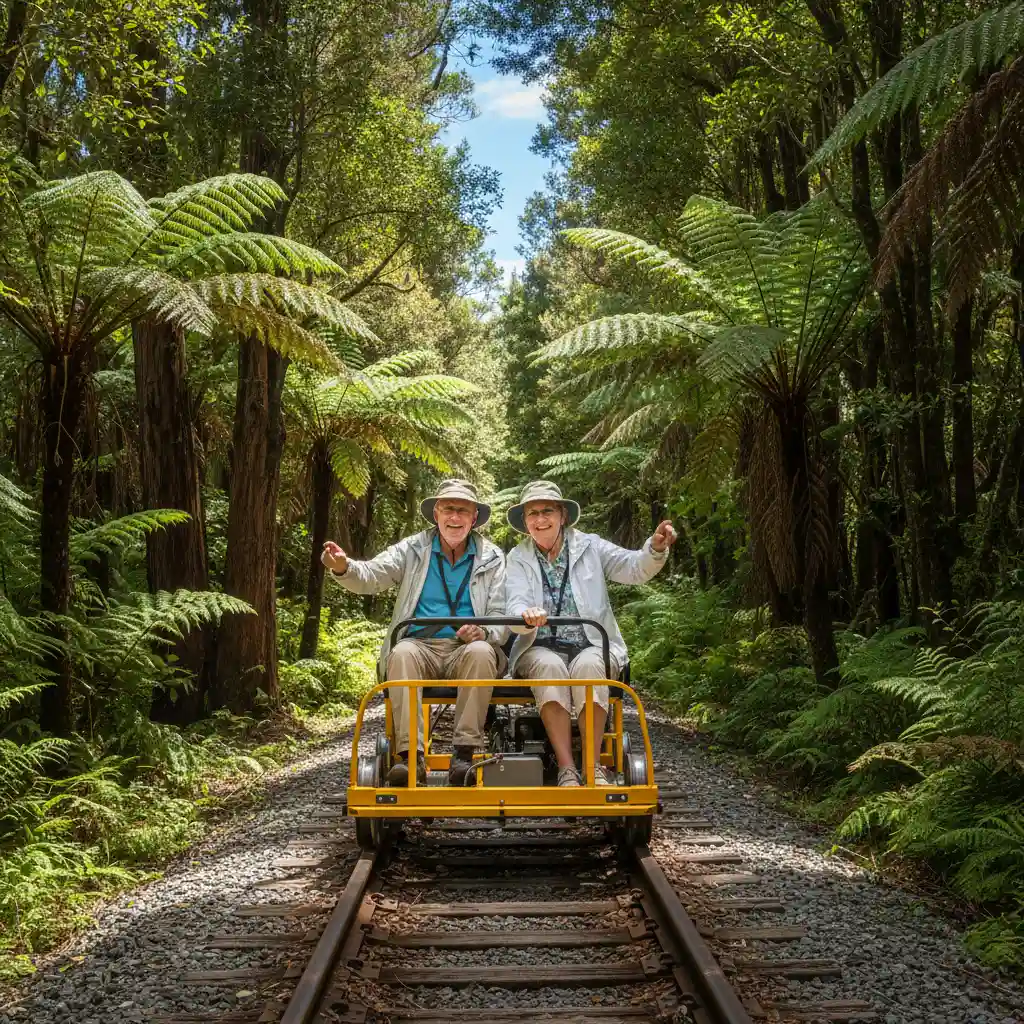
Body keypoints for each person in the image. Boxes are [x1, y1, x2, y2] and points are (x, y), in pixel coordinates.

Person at [321, 479, 506, 786]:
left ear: (474, 518)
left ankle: (463, 756)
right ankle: (410, 758)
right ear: (436, 513)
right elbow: (373, 574)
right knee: (402, 652)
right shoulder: (413, 548)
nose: (455, 517)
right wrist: (344, 567)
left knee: (481, 652)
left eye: (463, 510)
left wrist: (484, 632)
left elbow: (501, 614)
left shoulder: (492, 556)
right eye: (448, 508)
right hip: (420, 644)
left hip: (466, 648)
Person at [505, 480, 677, 786]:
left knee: (590, 665)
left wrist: (654, 549)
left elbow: (633, 567)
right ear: (525, 520)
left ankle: (593, 765)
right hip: (539, 645)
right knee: (549, 666)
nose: (540, 519)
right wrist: (525, 614)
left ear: (562, 515)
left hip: (590, 642)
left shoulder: (590, 546)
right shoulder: (518, 557)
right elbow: (514, 602)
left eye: (547, 511)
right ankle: (567, 768)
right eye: (533, 513)